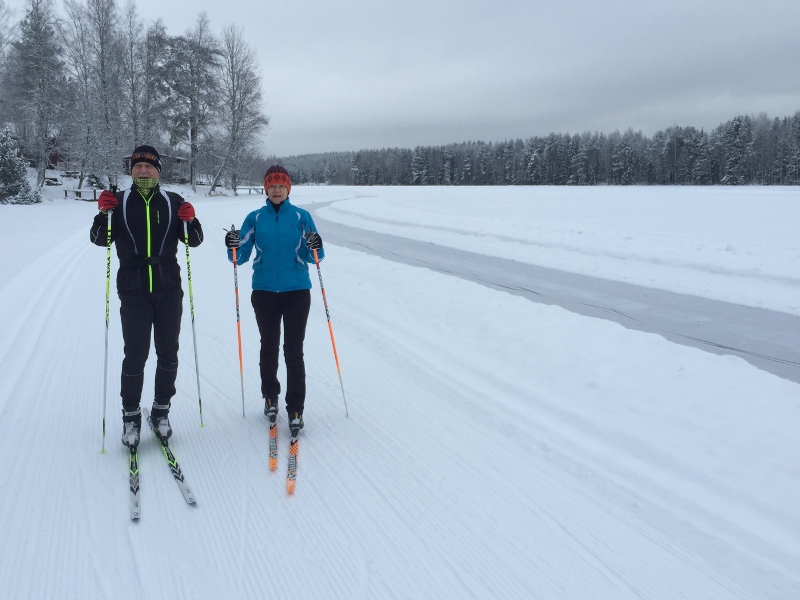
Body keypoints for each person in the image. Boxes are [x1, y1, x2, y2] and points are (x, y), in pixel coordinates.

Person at [89, 145, 203, 447]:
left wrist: (191, 220)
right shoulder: (120, 202)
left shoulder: (172, 201)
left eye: (149, 166)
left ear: (158, 171)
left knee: (168, 353)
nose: (143, 171)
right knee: (136, 355)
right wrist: (103, 214)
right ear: (131, 170)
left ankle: (161, 411)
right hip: (133, 288)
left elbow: (195, 240)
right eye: (138, 166)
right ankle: (130, 417)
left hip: (168, 288)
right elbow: (100, 240)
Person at [225, 165, 323, 434]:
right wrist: (232, 244)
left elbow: (316, 255)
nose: (276, 190)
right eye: (272, 186)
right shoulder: (255, 218)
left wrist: (315, 245)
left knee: (294, 350)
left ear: (288, 189)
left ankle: (296, 408)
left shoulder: (302, 217)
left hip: (297, 292)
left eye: (281, 186)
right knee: (269, 346)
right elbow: (239, 256)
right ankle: (270, 396)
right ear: (265, 189)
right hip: (265, 292)